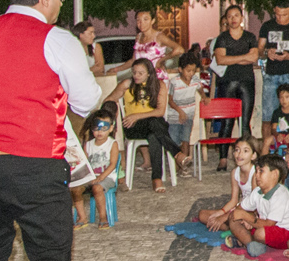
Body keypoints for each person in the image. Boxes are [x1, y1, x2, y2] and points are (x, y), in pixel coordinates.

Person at [105, 58, 185, 191]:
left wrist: (137, 115)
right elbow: (109, 99)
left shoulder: (159, 85)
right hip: (134, 127)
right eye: (134, 72)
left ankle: (156, 179)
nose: (136, 76)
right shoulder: (127, 84)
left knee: (154, 133)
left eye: (140, 73)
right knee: (156, 125)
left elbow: (160, 111)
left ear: (149, 73)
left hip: (153, 124)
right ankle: (176, 153)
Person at [227, 155, 289, 256]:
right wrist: (245, 218)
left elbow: (269, 224)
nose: (256, 175)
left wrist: (247, 217)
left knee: (260, 233)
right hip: (265, 227)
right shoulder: (258, 191)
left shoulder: (280, 194)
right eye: (256, 171)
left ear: (275, 174)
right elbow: (240, 209)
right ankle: (250, 244)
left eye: (261, 171)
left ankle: (247, 241)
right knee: (233, 218)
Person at [212, 4, 259, 141]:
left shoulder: (250, 37)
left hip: (247, 80)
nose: (233, 19)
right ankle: (223, 159)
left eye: (236, 15)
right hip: (226, 81)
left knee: (245, 123)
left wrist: (231, 59)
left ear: (241, 17)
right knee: (226, 123)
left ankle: (248, 155)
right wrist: (244, 57)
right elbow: (220, 59)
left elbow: (253, 57)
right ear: (226, 19)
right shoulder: (222, 38)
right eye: (230, 16)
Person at [73, 108, 120, 229]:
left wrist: (100, 177)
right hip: (90, 177)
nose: (100, 132)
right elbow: (85, 163)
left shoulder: (112, 144)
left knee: (97, 188)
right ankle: (82, 217)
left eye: (104, 128)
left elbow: (112, 164)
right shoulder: (88, 145)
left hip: (107, 177)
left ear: (110, 128)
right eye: (96, 128)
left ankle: (103, 217)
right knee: (75, 189)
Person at [165, 51, 206, 170]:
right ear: (180, 69)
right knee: (174, 141)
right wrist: (180, 112)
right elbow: (170, 100)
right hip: (175, 118)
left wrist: (204, 97)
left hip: (189, 116)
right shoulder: (174, 82)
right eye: (188, 70)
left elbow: (200, 89)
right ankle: (176, 167)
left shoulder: (195, 80)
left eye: (193, 70)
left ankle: (184, 166)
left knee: (185, 140)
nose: (191, 73)